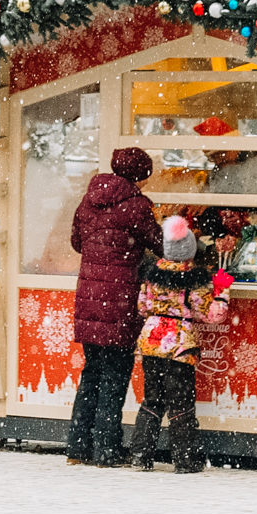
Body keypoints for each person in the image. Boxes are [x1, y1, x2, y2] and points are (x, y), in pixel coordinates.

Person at [66, 147, 161, 467]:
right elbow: (161, 245)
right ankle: (107, 448)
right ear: (140, 175)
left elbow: (77, 242)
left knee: (92, 372)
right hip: (119, 302)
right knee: (115, 375)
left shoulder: (88, 200)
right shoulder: (136, 206)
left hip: (90, 300)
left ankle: (77, 448)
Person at [130, 215, 231, 473]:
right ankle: (186, 459)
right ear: (189, 251)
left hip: (151, 344)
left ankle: (141, 455)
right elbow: (212, 315)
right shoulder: (193, 280)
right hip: (180, 348)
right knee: (181, 404)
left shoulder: (151, 276)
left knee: (152, 400)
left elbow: (142, 307)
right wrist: (222, 294)